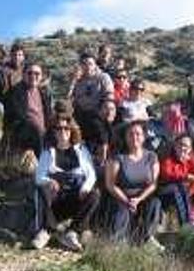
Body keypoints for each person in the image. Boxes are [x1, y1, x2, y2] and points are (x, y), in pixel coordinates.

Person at [31, 114, 100, 251]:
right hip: (56, 197)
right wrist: (49, 181)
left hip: (76, 195)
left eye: (66, 128)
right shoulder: (48, 152)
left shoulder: (81, 150)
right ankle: (47, 230)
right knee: (42, 189)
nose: (63, 132)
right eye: (59, 128)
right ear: (54, 132)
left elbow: (91, 174)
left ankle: (72, 232)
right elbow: (39, 177)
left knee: (94, 194)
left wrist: (85, 188)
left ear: (72, 130)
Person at [105, 120, 163, 247]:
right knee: (122, 209)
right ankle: (118, 242)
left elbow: (153, 184)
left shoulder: (151, 157)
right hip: (120, 196)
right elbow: (110, 184)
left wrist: (138, 199)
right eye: (130, 134)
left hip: (142, 197)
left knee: (155, 203)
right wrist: (126, 200)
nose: (134, 137)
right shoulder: (118, 157)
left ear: (144, 137)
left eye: (138, 134)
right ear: (125, 138)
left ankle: (146, 238)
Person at [159, 134, 194, 228]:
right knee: (178, 187)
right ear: (175, 145)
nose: (183, 148)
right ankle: (186, 223)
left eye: (186, 146)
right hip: (167, 190)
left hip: (186, 190)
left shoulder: (191, 157)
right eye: (180, 144)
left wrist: (189, 191)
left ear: (190, 149)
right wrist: (187, 176)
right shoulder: (168, 157)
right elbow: (167, 173)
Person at [3, 63, 52, 158]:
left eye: (37, 74)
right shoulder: (15, 92)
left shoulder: (43, 94)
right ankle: (42, 166)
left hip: (40, 131)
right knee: (36, 130)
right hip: (20, 131)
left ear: (41, 76)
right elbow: (16, 115)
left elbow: (48, 115)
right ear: (24, 75)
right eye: (30, 73)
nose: (33, 76)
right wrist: (36, 127)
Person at [69, 53, 114, 136]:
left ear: (95, 65)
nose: (87, 67)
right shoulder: (78, 81)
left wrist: (107, 107)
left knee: (98, 123)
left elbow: (109, 94)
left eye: (90, 64)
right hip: (81, 113)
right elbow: (69, 97)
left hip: (98, 111)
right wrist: (73, 81)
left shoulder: (103, 77)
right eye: (84, 64)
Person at [83, 98, 117, 166]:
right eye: (106, 108)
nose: (109, 112)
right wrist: (102, 163)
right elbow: (103, 142)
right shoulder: (95, 123)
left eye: (112, 109)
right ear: (99, 110)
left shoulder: (115, 125)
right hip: (94, 160)